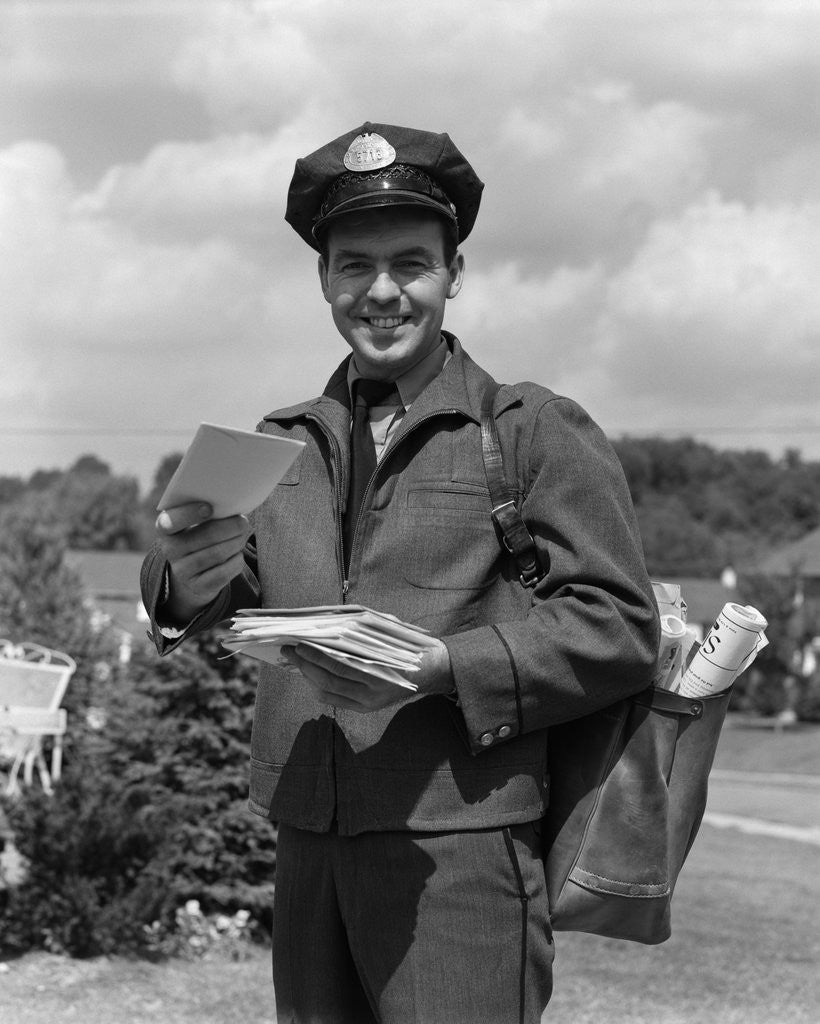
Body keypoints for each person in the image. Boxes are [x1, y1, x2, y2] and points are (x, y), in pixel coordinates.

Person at [141, 122, 660, 1024]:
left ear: (455, 273)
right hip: (308, 840)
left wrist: (439, 668)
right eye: (354, 266)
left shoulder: (532, 429)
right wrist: (185, 577)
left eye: (411, 263)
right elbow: (224, 595)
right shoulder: (281, 446)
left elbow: (619, 624)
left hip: (461, 853)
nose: (382, 292)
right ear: (324, 280)